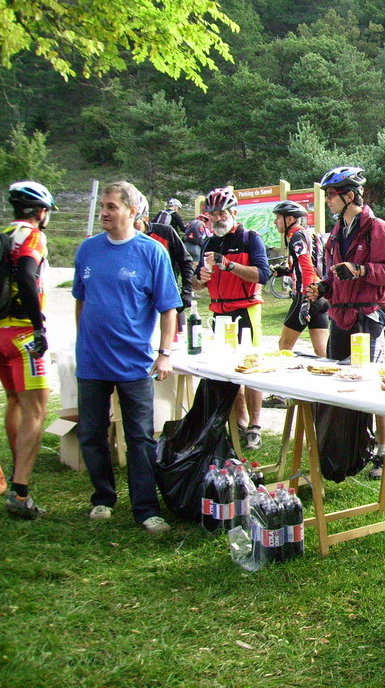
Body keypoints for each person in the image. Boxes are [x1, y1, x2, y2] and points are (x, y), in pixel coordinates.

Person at [73, 180, 182, 534]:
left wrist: (164, 353)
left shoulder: (152, 252)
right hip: (91, 362)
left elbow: (169, 309)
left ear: (132, 211)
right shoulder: (87, 250)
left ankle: (146, 509)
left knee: (139, 437)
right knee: (91, 433)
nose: (103, 212)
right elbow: (81, 300)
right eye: (102, 206)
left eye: (111, 207)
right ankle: (103, 499)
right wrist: (83, 339)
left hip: (133, 362)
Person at [306, 166, 385, 478]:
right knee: (337, 383)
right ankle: (346, 448)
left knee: (373, 386)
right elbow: (334, 274)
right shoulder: (336, 233)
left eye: (331, 196)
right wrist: (324, 287)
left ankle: (384, 452)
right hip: (340, 316)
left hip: (368, 317)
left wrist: (362, 270)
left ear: (349, 196)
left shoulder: (379, 229)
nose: (328, 201)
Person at [192, 185, 271, 451]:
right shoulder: (208, 242)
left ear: (234, 212)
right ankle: (240, 421)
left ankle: (256, 426)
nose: (216, 218)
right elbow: (196, 283)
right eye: (211, 214)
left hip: (245, 309)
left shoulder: (250, 238)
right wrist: (200, 279)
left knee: (251, 368)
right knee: (227, 370)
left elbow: (262, 275)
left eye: (221, 212)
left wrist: (229, 265)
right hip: (218, 312)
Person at [0, 181, 55, 518]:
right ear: (40, 211)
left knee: (14, 400)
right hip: (21, 335)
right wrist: (38, 326)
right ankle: (20, 494)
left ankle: (20, 469)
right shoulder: (32, 236)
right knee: (36, 408)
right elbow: (29, 275)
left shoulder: (2, 234)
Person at [271, 200, 328, 357]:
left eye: (278, 217)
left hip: (306, 294)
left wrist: (305, 299)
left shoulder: (295, 236)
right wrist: (286, 271)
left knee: (284, 346)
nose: (275, 221)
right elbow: (310, 266)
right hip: (320, 296)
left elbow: (307, 267)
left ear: (290, 219)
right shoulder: (309, 234)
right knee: (322, 351)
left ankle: (282, 380)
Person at [134, 195, 195, 332]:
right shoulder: (125, 239)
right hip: (138, 302)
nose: (132, 229)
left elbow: (185, 261)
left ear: (146, 218)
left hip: (168, 298)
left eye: (135, 223)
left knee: (175, 342)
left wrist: (187, 291)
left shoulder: (165, 232)